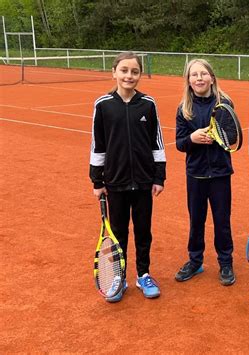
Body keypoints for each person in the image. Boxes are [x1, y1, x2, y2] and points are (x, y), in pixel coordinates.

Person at [89, 51, 166, 302]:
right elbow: (97, 144)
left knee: (144, 231)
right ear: (114, 72)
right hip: (116, 182)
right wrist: (97, 181)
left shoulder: (148, 104)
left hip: (144, 181)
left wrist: (159, 176)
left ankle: (143, 274)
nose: (129, 76)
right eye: (124, 70)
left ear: (139, 75)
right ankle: (118, 278)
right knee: (118, 232)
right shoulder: (103, 105)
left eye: (134, 71)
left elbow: (157, 142)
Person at [175, 59, 236, 286]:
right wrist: (193, 138)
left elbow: (232, 137)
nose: (199, 78)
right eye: (194, 75)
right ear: (189, 81)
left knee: (222, 220)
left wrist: (217, 137)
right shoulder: (184, 109)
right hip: (196, 174)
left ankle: (226, 262)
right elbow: (180, 143)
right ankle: (195, 260)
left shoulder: (224, 103)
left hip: (220, 174)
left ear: (212, 77)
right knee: (196, 220)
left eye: (203, 74)